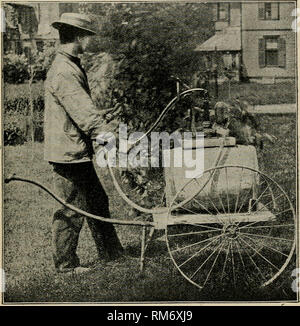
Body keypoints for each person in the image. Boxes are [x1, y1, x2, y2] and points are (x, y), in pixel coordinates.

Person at [44, 13, 124, 275]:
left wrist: (102, 117)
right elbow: (82, 113)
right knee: (71, 208)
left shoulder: (69, 64)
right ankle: (66, 266)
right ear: (78, 36)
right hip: (68, 152)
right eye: (88, 36)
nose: (90, 41)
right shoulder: (65, 70)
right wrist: (104, 133)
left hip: (73, 148)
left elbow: (79, 109)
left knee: (97, 201)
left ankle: (112, 254)